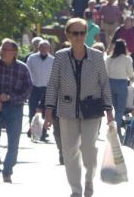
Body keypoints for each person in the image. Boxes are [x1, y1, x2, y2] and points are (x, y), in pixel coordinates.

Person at [44, 18, 114, 197]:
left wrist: (109, 111)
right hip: (67, 110)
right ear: (68, 35)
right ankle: (76, 189)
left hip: (92, 109)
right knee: (70, 151)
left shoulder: (97, 57)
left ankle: (89, 183)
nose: (79, 37)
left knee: (89, 149)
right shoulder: (60, 56)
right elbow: (53, 85)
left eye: (82, 33)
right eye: (75, 33)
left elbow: (105, 84)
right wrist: (48, 111)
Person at [0, 39, 33, 183]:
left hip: (14, 107)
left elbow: (28, 89)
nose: (3, 52)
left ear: (14, 53)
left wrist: (11, 98)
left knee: (13, 140)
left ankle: (8, 171)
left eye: (6, 50)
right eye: (2, 49)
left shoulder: (22, 68)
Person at [26, 40, 54, 141]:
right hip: (34, 87)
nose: (43, 49)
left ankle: (43, 132)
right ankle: (32, 130)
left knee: (46, 111)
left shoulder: (52, 60)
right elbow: (27, 73)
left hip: (47, 89)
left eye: (46, 47)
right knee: (32, 110)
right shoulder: (32, 58)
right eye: (41, 47)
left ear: (49, 49)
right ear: (38, 48)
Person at [104, 39, 134, 131]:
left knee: (115, 107)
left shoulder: (109, 59)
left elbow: (106, 72)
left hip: (110, 83)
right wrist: (132, 79)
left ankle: (115, 124)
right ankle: (116, 127)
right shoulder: (127, 59)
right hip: (121, 83)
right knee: (120, 109)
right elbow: (130, 73)